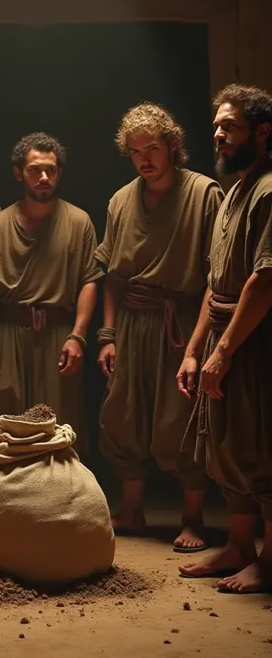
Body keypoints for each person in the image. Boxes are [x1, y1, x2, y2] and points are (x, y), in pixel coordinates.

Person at [96, 102, 224, 551]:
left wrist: (196, 346)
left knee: (180, 419)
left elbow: (216, 279)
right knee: (123, 414)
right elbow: (111, 274)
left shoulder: (205, 194)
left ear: (172, 145)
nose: (145, 158)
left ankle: (192, 518)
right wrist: (108, 334)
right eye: (135, 151)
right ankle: (133, 510)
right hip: (131, 320)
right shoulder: (120, 199)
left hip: (182, 321)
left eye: (153, 147)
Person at [177, 84, 272, 592]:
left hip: (255, 342)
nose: (217, 134)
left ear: (262, 132)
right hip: (223, 334)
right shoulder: (235, 190)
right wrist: (195, 350)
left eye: (229, 126)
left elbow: (264, 279)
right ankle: (238, 546)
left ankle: (270, 559)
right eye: (216, 125)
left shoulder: (269, 189)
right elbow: (215, 282)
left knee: (262, 445)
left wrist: (223, 350)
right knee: (227, 446)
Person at [0, 132, 102, 454]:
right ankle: (7, 500)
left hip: (59, 333)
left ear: (59, 172)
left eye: (51, 170)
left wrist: (78, 336)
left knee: (60, 421)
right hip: (10, 333)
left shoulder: (78, 221)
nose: (43, 177)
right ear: (19, 173)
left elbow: (89, 279)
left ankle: (62, 502)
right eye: (34, 170)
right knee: (6, 422)